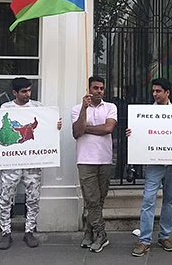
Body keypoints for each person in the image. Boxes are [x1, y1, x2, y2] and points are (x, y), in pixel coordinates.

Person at [0, 77, 62, 250]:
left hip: (32, 161)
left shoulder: (38, 107)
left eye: (29, 90)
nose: (27, 94)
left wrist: (55, 125)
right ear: (14, 93)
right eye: (23, 91)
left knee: (33, 197)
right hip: (11, 162)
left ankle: (29, 231)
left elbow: (46, 127)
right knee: (6, 196)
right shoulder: (5, 108)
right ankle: (5, 232)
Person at [130, 78, 172, 257]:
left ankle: (165, 236)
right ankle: (144, 240)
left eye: (158, 91)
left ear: (167, 93)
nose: (155, 94)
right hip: (154, 164)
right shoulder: (146, 113)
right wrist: (132, 133)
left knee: (170, 200)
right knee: (148, 200)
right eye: (153, 91)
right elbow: (140, 135)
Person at [71, 75, 117, 253]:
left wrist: (87, 129)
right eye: (95, 88)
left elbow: (108, 129)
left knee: (98, 200)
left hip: (104, 159)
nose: (99, 91)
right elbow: (76, 132)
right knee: (91, 199)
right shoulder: (77, 109)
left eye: (101, 88)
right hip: (85, 160)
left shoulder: (111, 107)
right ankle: (101, 234)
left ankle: (89, 232)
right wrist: (84, 109)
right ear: (89, 89)